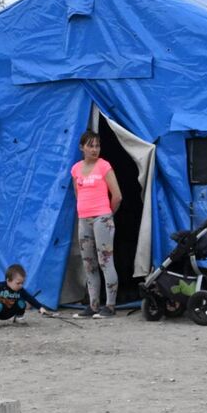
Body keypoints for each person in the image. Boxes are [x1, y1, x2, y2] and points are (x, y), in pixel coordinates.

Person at [69, 130, 122, 318]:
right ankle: (93, 305)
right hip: (84, 219)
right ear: (81, 147)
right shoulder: (75, 169)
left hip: (102, 219)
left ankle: (110, 305)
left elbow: (117, 196)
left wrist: (107, 215)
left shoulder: (104, 166)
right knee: (89, 264)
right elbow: (77, 194)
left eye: (97, 145)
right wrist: (85, 211)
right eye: (90, 145)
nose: (94, 149)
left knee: (105, 261)